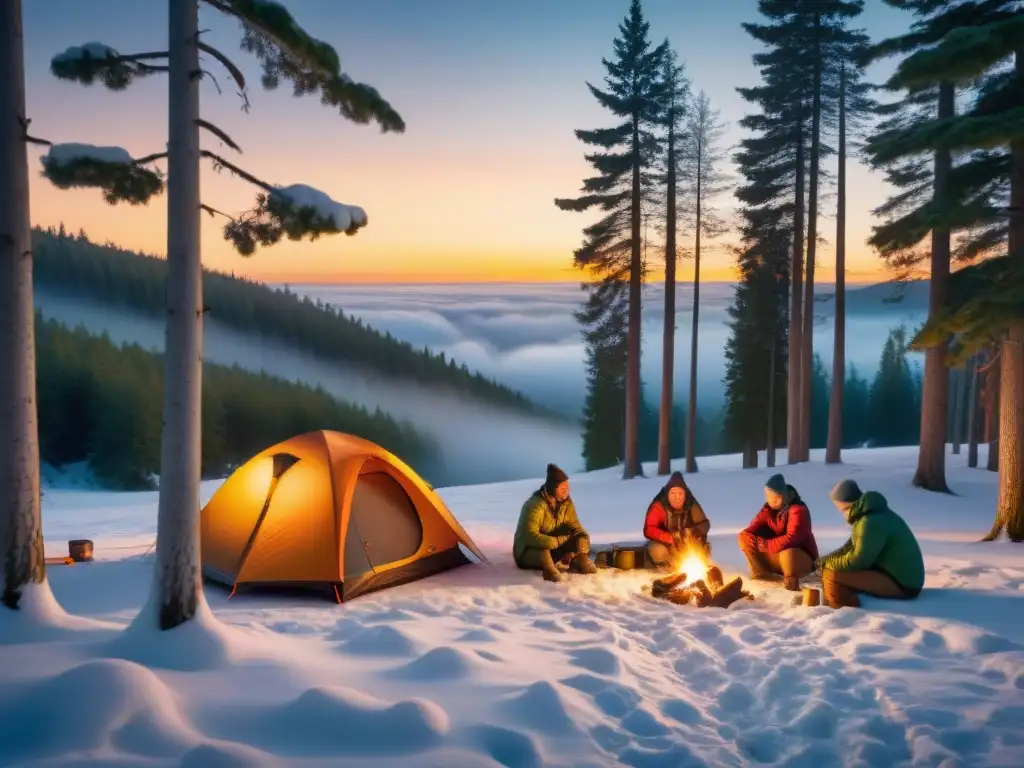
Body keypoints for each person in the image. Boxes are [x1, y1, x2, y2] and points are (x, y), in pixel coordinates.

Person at [818, 479, 925, 609]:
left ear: (845, 503)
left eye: (839, 507)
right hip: (895, 574)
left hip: (902, 583)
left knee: (831, 574)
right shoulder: (867, 515)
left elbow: (859, 559)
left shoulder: (870, 521)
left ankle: (843, 610)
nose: (840, 511)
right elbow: (850, 547)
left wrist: (828, 565)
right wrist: (823, 561)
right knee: (831, 569)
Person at [513, 464, 597, 583]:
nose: (566, 491)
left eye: (567, 488)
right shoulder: (535, 505)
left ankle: (578, 561)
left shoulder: (566, 504)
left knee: (577, 539)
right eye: (563, 488)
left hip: (553, 549)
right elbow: (530, 536)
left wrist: (582, 542)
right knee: (543, 551)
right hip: (528, 551)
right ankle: (550, 571)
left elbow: (575, 527)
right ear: (553, 487)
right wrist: (557, 541)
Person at [738, 473, 819, 591]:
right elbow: (751, 530)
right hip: (776, 557)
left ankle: (791, 581)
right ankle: (760, 576)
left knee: (788, 552)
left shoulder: (798, 510)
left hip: (800, 558)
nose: (768, 499)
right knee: (746, 540)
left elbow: (792, 539)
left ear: (780, 496)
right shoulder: (767, 509)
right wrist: (746, 537)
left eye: (771, 496)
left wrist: (764, 545)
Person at [643, 471, 711, 568]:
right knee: (658, 550)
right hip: (664, 544)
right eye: (673, 494)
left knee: (703, 548)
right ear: (667, 494)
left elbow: (704, 524)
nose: (677, 497)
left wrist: (691, 533)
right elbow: (649, 529)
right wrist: (670, 537)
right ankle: (665, 569)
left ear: (685, 495)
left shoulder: (691, 505)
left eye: (680, 494)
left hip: (685, 543)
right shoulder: (658, 507)